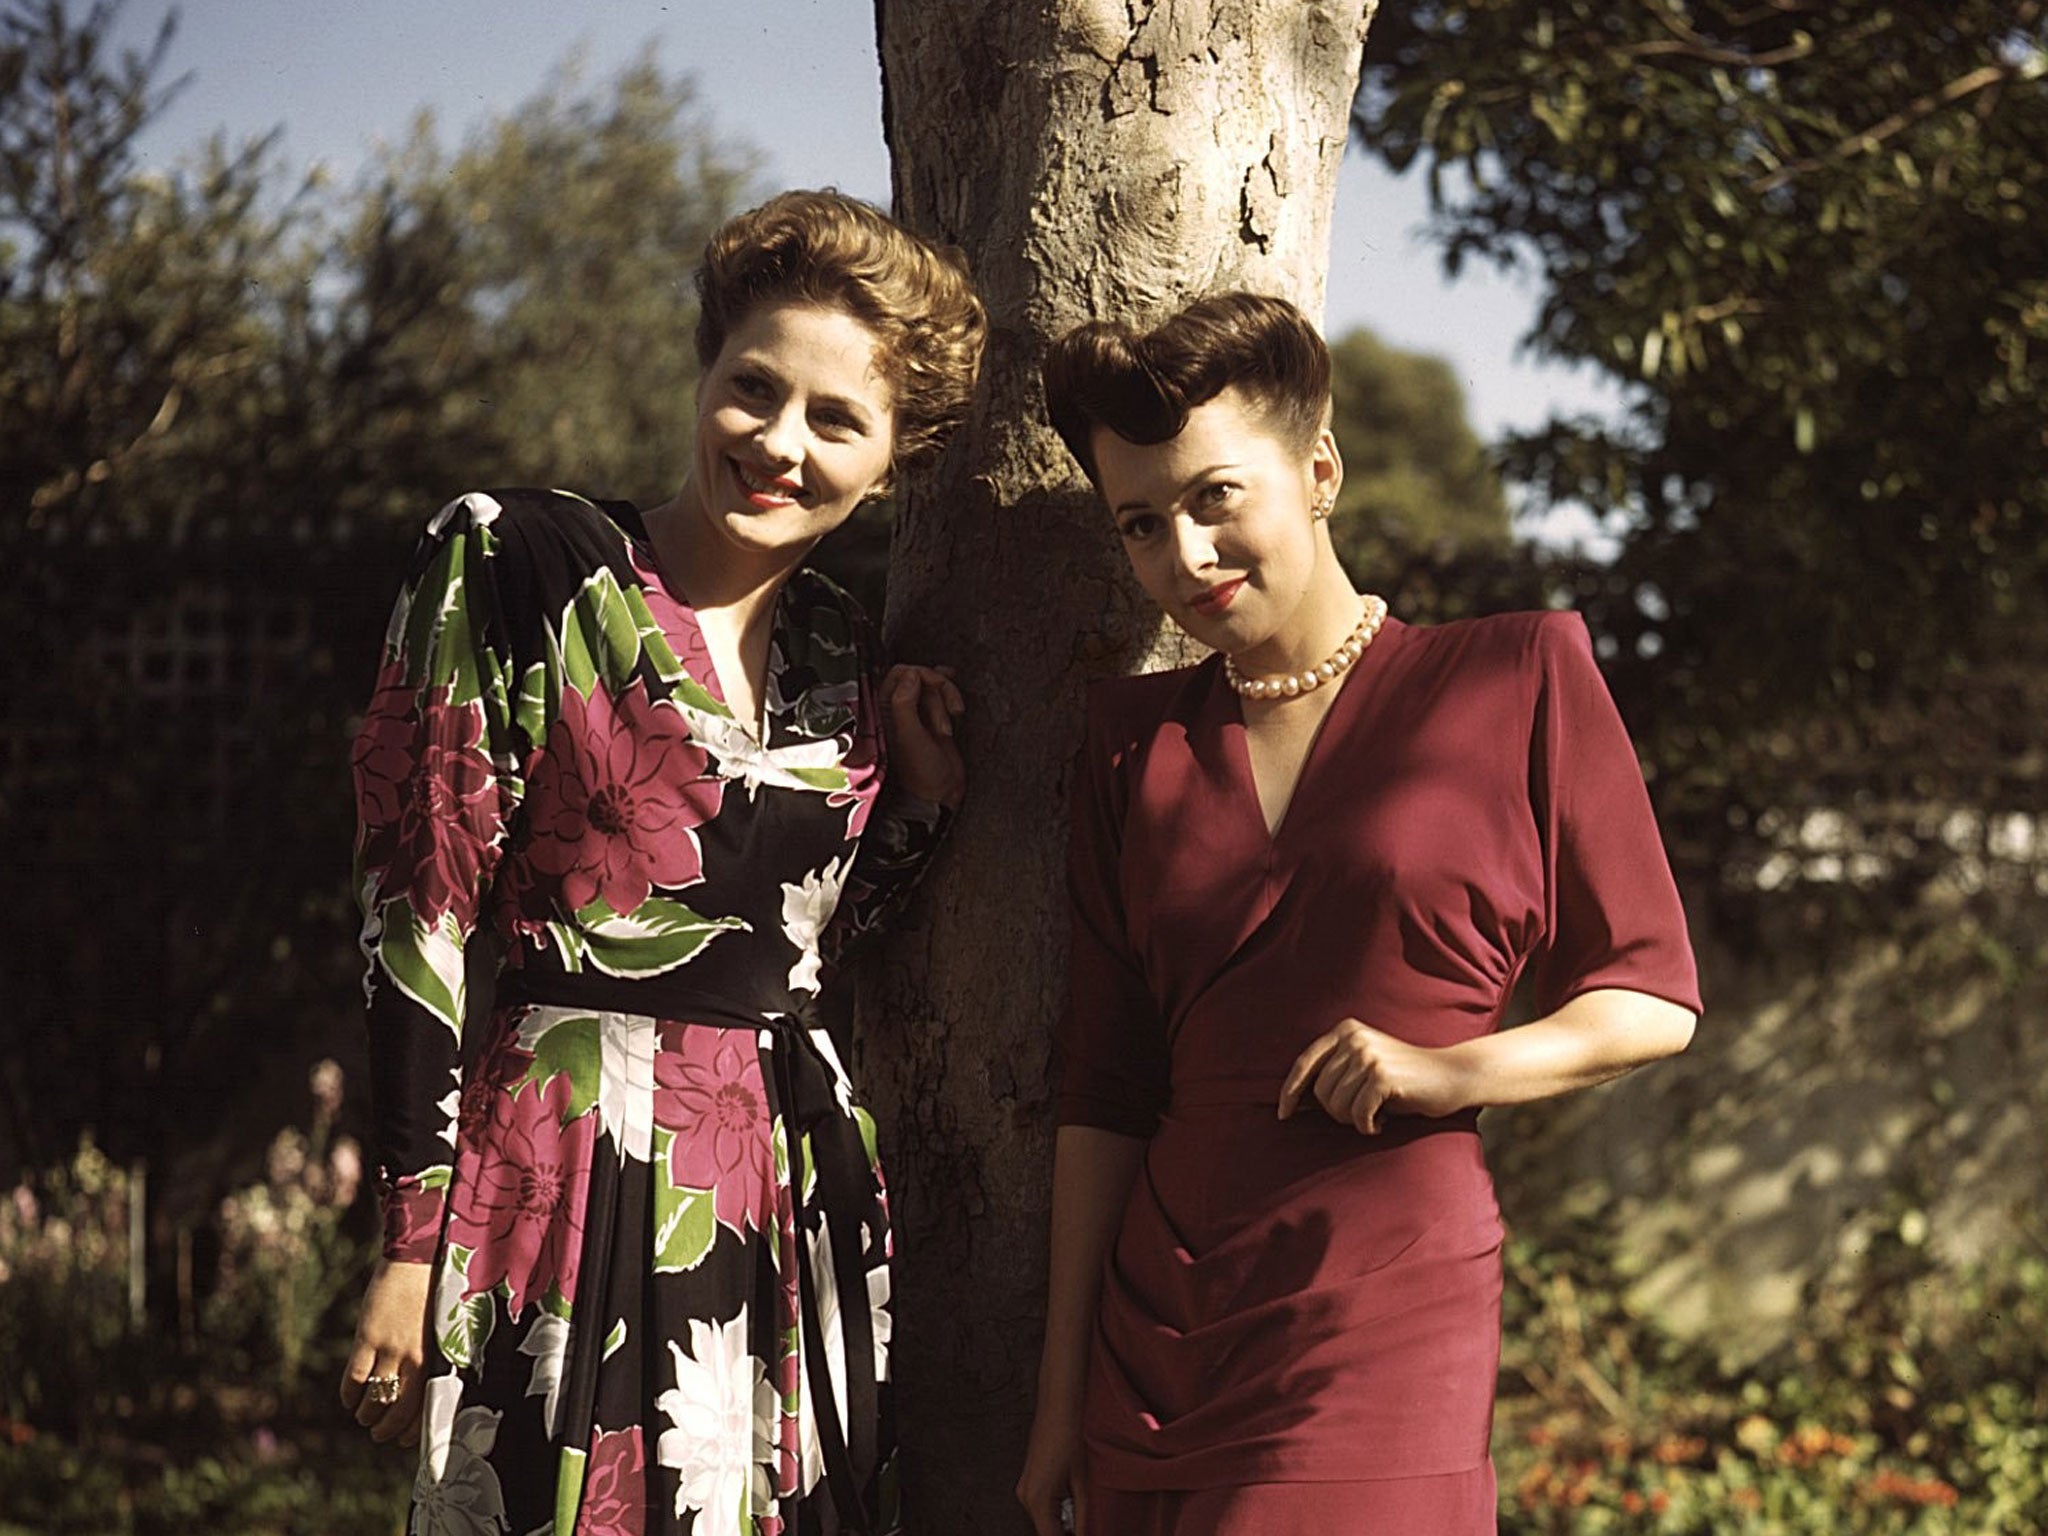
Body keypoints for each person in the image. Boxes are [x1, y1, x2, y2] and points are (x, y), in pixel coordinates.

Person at [338, 188, 986, 1536]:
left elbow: (794, 951)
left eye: (836, 420)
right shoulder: (518, 563)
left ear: (895, 458)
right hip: (555, 1175)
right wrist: (406, 1250)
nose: (780, 442)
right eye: (754, 388)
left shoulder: (842, 663)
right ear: (704, 373)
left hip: (779, 1202)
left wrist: (914, 807)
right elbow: (419, 914)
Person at [1017, 293, 1701, 1536]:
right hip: (1154, 1333)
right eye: (1140, 525)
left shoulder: (1515, 674)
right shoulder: (1128, 745)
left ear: (1317, 470)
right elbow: (1104, 1093)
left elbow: (1648, 996)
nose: (1184, 556)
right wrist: (1060, 1398)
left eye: (1213, 497)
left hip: (1384, 1302)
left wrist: (1449, 1071)